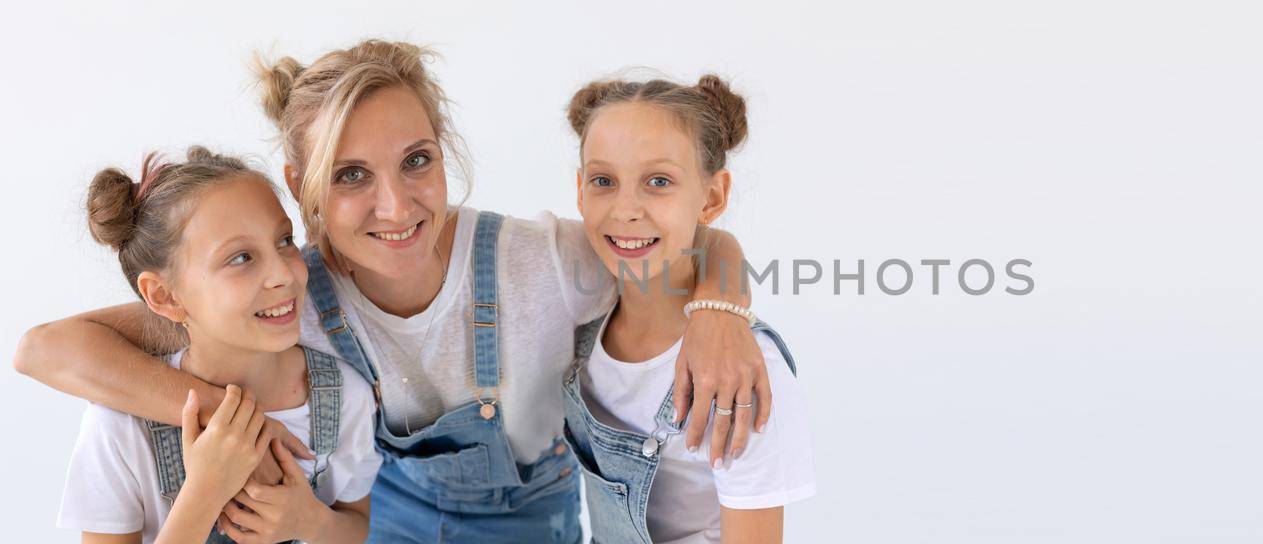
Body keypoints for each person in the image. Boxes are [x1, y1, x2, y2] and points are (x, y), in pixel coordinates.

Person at [16, 40, 773, 542]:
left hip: (531, 525)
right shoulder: (283, 298)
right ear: (299, 187)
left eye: (416, 161)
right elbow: (43, 348)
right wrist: (225, 417)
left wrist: (720, 307)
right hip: (382, 526)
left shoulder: (535, 261)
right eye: (350, 176)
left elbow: (687, 242)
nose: (395, 205)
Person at [58, 147, 380, 543]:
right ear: (164, 297)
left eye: (284, 240)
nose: (284, 273)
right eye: (241, 257)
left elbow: (355, 526)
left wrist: (311, 521)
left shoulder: (347, 395)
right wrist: (204, 493)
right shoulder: (119, 428)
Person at [561, 75, 816, 543]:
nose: (626, 209)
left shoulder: (742, 371)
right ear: (580, 191)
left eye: (659, 181)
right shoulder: (579, 308)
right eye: (604, 180)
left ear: (712, 197)